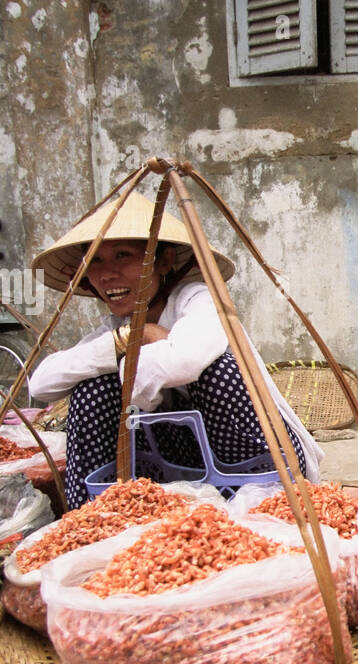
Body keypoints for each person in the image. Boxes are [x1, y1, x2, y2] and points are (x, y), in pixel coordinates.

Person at [30, 192, 324, 510]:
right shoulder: (114, 328)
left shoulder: (198, 299)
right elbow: (42, 384)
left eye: (123, 256)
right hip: (178, 465)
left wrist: (133, 358)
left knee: (218, 371)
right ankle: (90, 514)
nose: (107, 273)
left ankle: (259, 502)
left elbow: (182, 363)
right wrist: (128, 338)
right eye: (95, 261)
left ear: (164, 261)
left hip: (258, 458)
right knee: (91, 388)